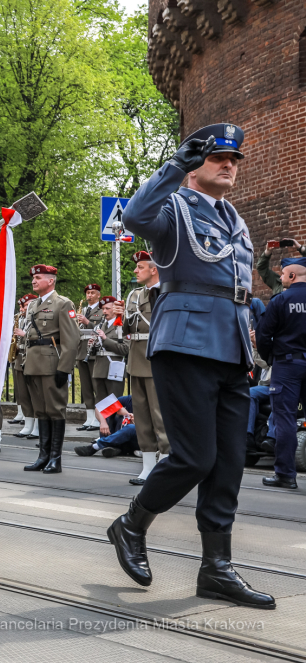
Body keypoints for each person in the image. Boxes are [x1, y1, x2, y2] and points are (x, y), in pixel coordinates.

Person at [109, 123, 274, 609]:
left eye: (235, 160)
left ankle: (216, 569)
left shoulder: (235, 219)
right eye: (218, 158)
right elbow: (136, 215)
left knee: (229, 463)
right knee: (194, 457)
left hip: (231, 348)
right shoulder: (174, 209)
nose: (229, 165)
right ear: (195, 165)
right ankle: (131, 523)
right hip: (185, 343)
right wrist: (176, 164)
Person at [103, 251, 169, 485]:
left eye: (140, 266)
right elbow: (129, 330)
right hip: (137, 359)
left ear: (154, 269)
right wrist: (123, 317)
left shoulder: (168, 291)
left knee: (159, 414)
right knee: (141, 415)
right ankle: (148, 465)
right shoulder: (134, 295)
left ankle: (166, 463)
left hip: (157, 358)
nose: (135, 270)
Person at [21, 264, 80, 474]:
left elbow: (71, 339)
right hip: (34, 364)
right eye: (33, 278)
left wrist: (64, 368)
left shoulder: (63, 304)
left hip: (51, 364)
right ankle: (43, 456)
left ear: (51, 280)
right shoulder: (33, 305)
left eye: (38, 277)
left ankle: (55, 458)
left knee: (55, 410)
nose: (34, 281)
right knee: (41, 411)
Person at [253, 256, 306, 489]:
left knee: (284, 419)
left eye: (283, 274)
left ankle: (285, 474)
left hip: (287, 365)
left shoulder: (280, 300)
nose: (281, 278)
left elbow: (263, 336)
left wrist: (270, 358)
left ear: (292, 276)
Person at [88, 296, 125, 436]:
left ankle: (114, 435)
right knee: (101, 403)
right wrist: (91, 344)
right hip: (99, 368)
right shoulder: (100, 326)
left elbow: (125, 349)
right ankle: (103, 435)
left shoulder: (121, 325)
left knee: (114, 403)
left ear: (115, 310)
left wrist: (105, 339)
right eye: (103, 309)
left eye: (108, 308)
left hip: (114, 368)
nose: (104, 311)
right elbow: (92, 352)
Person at [75, 284, 105, 431]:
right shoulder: (84, 309)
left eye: (92, 293)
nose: (89, 296)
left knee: (96, 386)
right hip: (81, 351)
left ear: (98, 295)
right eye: (87, 293)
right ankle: (89, 418)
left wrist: (88, 322)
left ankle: (99, 419)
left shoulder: (102, 309)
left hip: (93, 351)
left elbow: (103, 328)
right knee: (86, 387)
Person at [10, 294, 37, 437]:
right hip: (20, 358)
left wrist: (24, 334)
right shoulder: (22, 320)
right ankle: (28, 424)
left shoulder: (36, 320)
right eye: (25, 306)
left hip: (33, 359)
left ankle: (37, 426)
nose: (25, 308)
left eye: (28, 305)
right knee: (23, 394)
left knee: (35, 394)